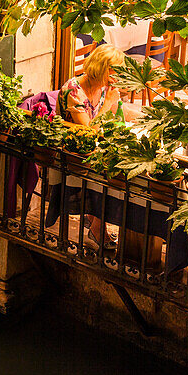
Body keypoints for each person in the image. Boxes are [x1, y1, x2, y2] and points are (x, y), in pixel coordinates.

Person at [58, 43, 126, 250]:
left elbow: (115, 121)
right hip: (74, 149)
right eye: (113, 70)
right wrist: (108, 104)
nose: (116, 75)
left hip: (96, 146)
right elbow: (89, 130)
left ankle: (103, 222)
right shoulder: (73, 91)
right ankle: (97, 228)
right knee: (111, 171)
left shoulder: (105, 88)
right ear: (101, 68)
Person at [58, 44, 126, 126]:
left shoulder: (103, 85)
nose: (116, 80)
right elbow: (90, 130)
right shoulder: (73, 90)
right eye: (114, 75)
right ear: (101, 70)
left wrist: (143, 117)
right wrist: (108, 102)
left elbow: (122, 110)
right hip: (73, 137)